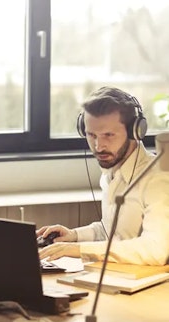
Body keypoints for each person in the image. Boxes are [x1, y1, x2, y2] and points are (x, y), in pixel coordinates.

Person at [37, 86, 169, 266]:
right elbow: (114, 233)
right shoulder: (110, 173)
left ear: (136, 132)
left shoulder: (158, 179)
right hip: (118, 277)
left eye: (109, 135)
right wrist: (74, 236)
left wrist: (79, 250)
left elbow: (155, 250)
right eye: (92, 135)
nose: (99, 146)